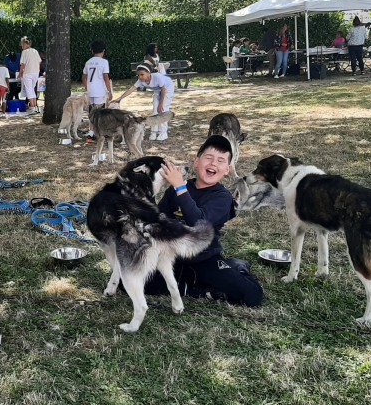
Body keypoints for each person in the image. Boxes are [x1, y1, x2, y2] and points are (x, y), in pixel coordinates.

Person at [143, 136, 264, 307]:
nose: (213, 163)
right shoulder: (176, 190)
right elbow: (157, 220)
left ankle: (237, 267)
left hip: (204, 260)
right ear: (197, 162)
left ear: (227, 170)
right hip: (171, 258)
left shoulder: (222, 197)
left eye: (221, 160)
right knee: (127, 282)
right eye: (208, 157)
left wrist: (180, 187)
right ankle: (194, 291)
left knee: (251, 296)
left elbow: (198, 222)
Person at [111, 62, 174, 141]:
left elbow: (163, 89)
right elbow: (131, 89)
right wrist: (120, 98)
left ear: (148, 73)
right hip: (158, 91)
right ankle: (154, 132)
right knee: (155, 110)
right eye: (138, 75)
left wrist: (161, 103)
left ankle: (163, 132)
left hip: (167, 89)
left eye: (142, 74)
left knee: (163, 109)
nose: (140, 77)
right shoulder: (140, 81)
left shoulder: (157, 77)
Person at [82, 40, 113, 143]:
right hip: (100, 90)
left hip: (91, 90)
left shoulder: (88, 62)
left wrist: (87, 88)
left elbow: (84, 77)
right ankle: (99, 133)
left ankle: (91, 132)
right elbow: (105, 77)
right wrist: (109, 91)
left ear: (92, 50)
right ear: (103, 51)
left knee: (92, 112)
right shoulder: (104, 62)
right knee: (100, 112)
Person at [18, 36, 42, 114]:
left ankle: (32, 107)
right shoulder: (35, 51)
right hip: (35, 72)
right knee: (32, 89)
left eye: (22, 44)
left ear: (25, 44)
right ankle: (35, 107)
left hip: (28, 73)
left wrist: (20, 72)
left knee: (29, 90)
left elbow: (23, 64)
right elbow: (39, 61)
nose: (22, 46)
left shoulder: (24, 52)